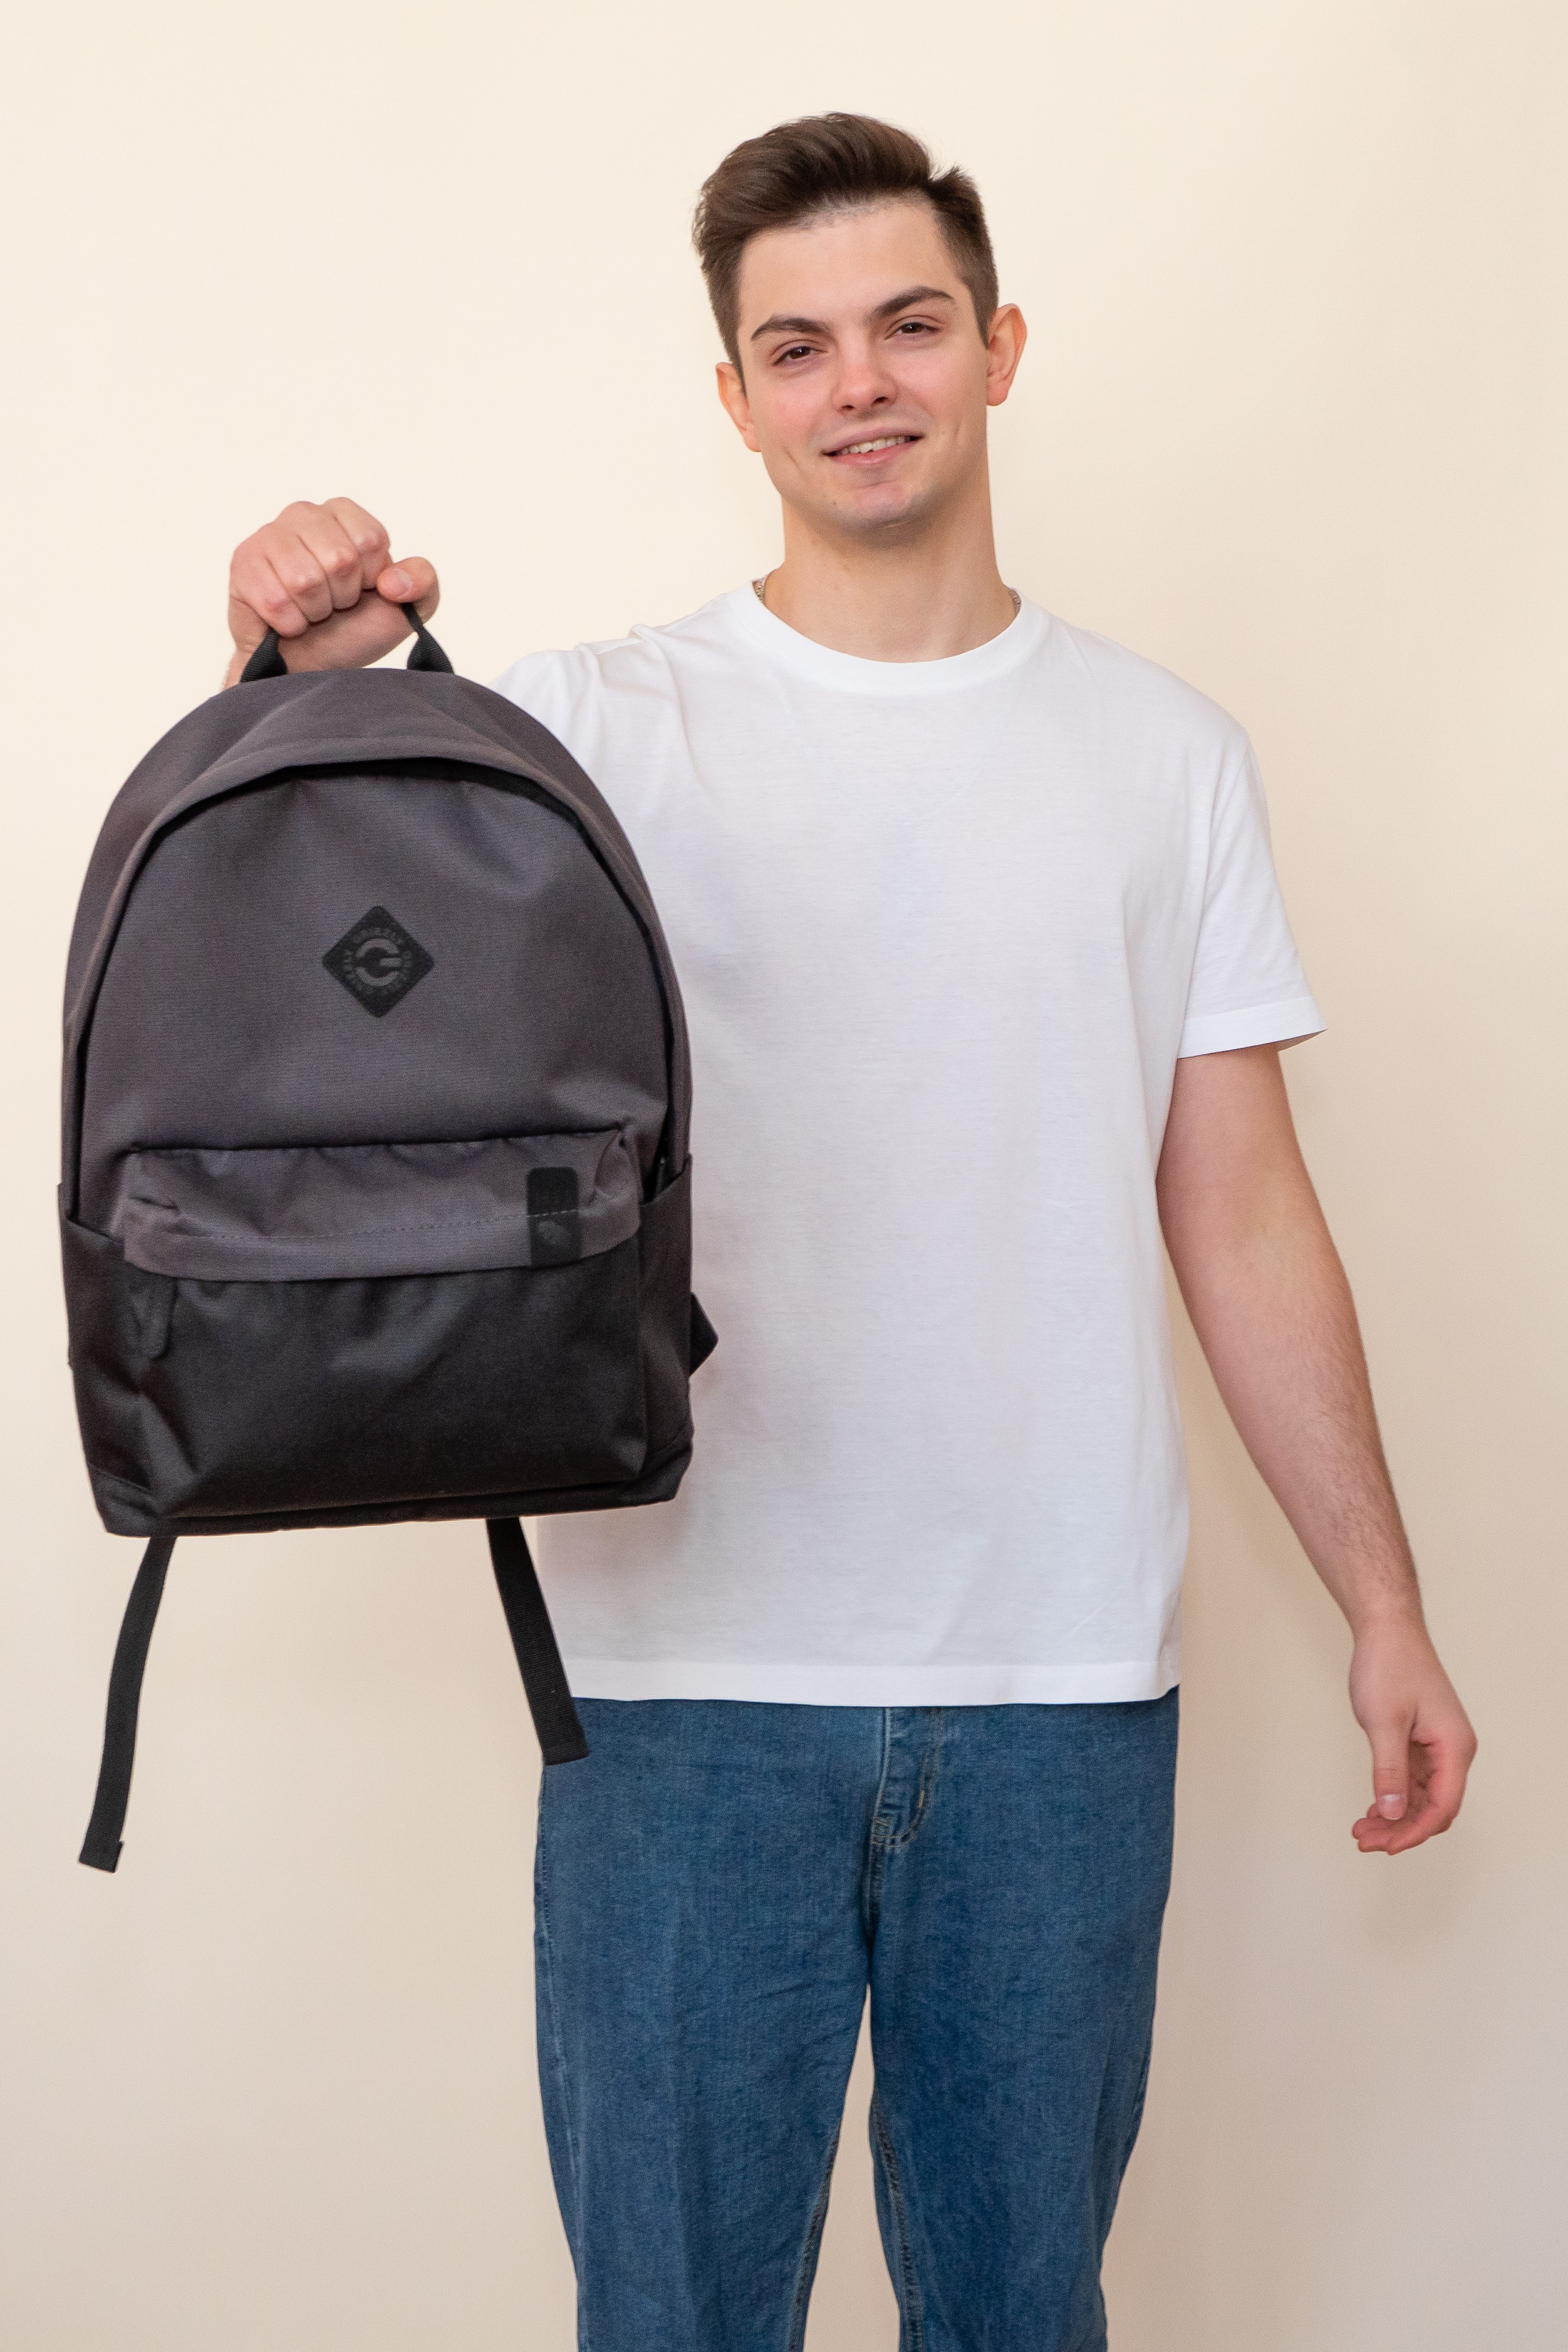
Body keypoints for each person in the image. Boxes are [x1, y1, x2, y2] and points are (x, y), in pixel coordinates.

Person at [222, 113, 1475, 2352]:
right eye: (795, 346)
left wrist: (1381, 1606)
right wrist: (285, 667)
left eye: (908, 325)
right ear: (733, 399)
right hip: (676, 1679)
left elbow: (1244, 1213)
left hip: (1058, 1681)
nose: (859, 382)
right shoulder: (583, 728)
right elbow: (311, 964)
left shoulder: (1164, 754)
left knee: (1022, 2312)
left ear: (999, 348)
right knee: (673, 2318)